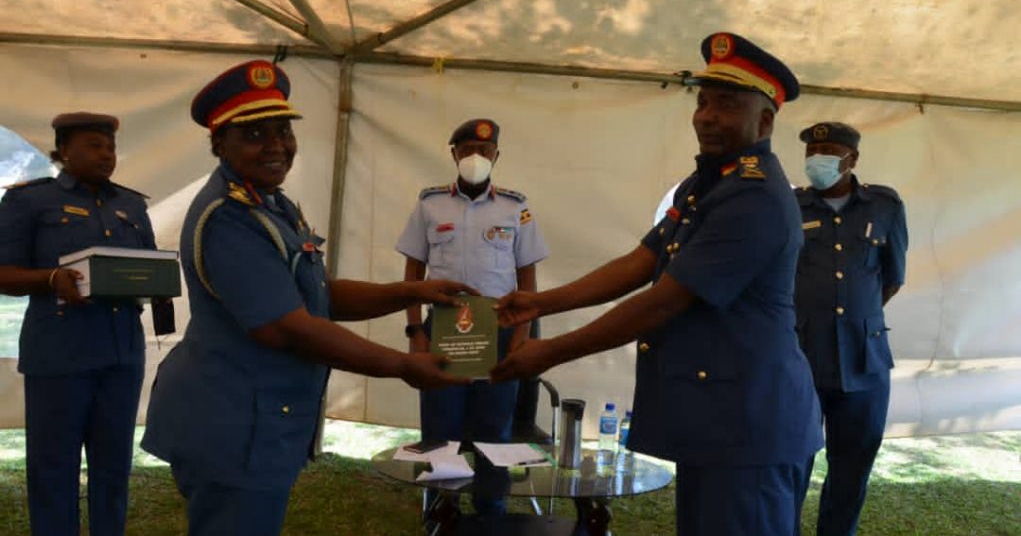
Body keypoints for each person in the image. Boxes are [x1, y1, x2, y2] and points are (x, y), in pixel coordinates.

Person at [491, 32, 823, 535]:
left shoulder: (754, 197)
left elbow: (663, 302)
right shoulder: (708, 182)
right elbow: (642, 259)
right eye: (703, 102)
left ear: (765, 121)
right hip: (720, 419)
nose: (706, 116)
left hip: (750, 425)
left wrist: (550, 353)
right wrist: (542, 303)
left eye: (726, 105)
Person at [140, 60, 473, 535]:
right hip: (232, 426)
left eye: (283, 131)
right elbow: (287, 327)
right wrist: (402, 365)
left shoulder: (271, 203)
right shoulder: (229, 217)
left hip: (259, 420)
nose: (276, 145)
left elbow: (319, 294)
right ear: (219, 143)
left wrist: (410, 291)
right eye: (255, 134)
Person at [0, 112, 156, 535]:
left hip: (122, 355)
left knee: (114, 468)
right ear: (64, 151)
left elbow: (150, 267)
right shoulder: (31, 201)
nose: (106, 155)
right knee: (53, 467)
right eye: (94, 145)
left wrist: (157, 286)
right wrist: (50, 278)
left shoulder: (132, 205)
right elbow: (3, 273)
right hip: (59, 356)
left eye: (111, 147)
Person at [395, 118, 549, 516]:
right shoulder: (430, 204)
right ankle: (440, 510)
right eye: (467, 150)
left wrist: (522, 336)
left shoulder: (515, 207)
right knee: (440, 426)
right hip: (444, 331)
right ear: (454, 155)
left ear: (497, 155)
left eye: (484, 150)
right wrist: (415, 330)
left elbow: (527, 277)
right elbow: (412, 275)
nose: (475, 157)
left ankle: (490, 509)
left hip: (500, 330)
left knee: (494, 428)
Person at [794, 122, 908, 535]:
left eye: (827, 150)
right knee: (792, 462)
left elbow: (892, 278)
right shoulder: (791, 206)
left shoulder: (885, 205)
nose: (817, 158)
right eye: (812, 151)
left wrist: (852, 318)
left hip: (864, 360)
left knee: (852, 468)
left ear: (852, 158)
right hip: (801, 356)